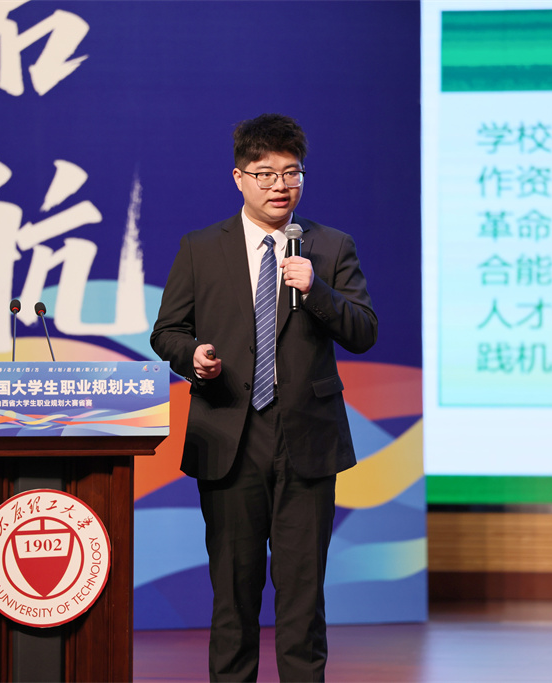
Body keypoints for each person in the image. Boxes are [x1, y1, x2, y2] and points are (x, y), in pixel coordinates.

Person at [150, 113, 377, 682]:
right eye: (266, 174)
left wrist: (317, 290)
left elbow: (364, 331)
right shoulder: (202, 248)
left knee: (303, 597)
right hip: (230, 435)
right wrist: (193, 357)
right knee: (233, 594)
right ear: (239, 178)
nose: (280, 185)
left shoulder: (329, 246)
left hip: (307, 440)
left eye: (291, 173)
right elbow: (167, 331)